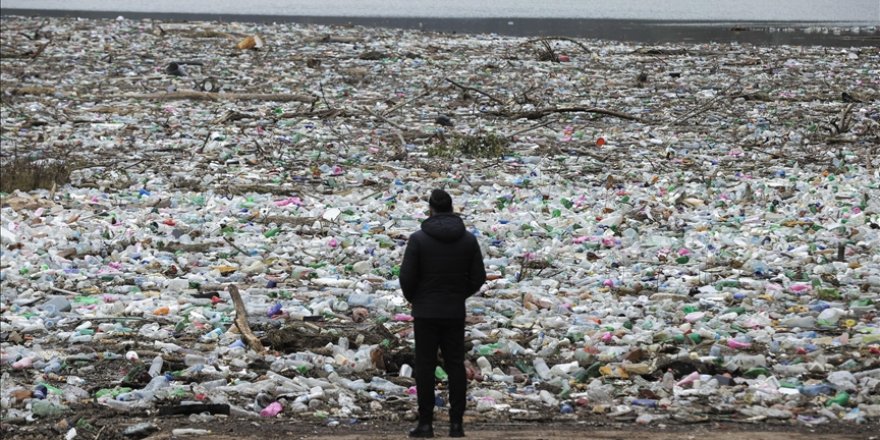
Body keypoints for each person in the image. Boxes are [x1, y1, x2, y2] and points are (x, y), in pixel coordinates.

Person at [400, 189, 486, 438]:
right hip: (453, 312)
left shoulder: (418, 239)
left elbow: (406, 277)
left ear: (431, 209)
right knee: (455, 366)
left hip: (425, 313)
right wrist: (459, 295)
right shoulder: (468, 240)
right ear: (451, 208)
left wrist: (416, 299)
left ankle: (425, 424)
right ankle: (456, 425)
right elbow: (478, 278)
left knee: (425, 367)